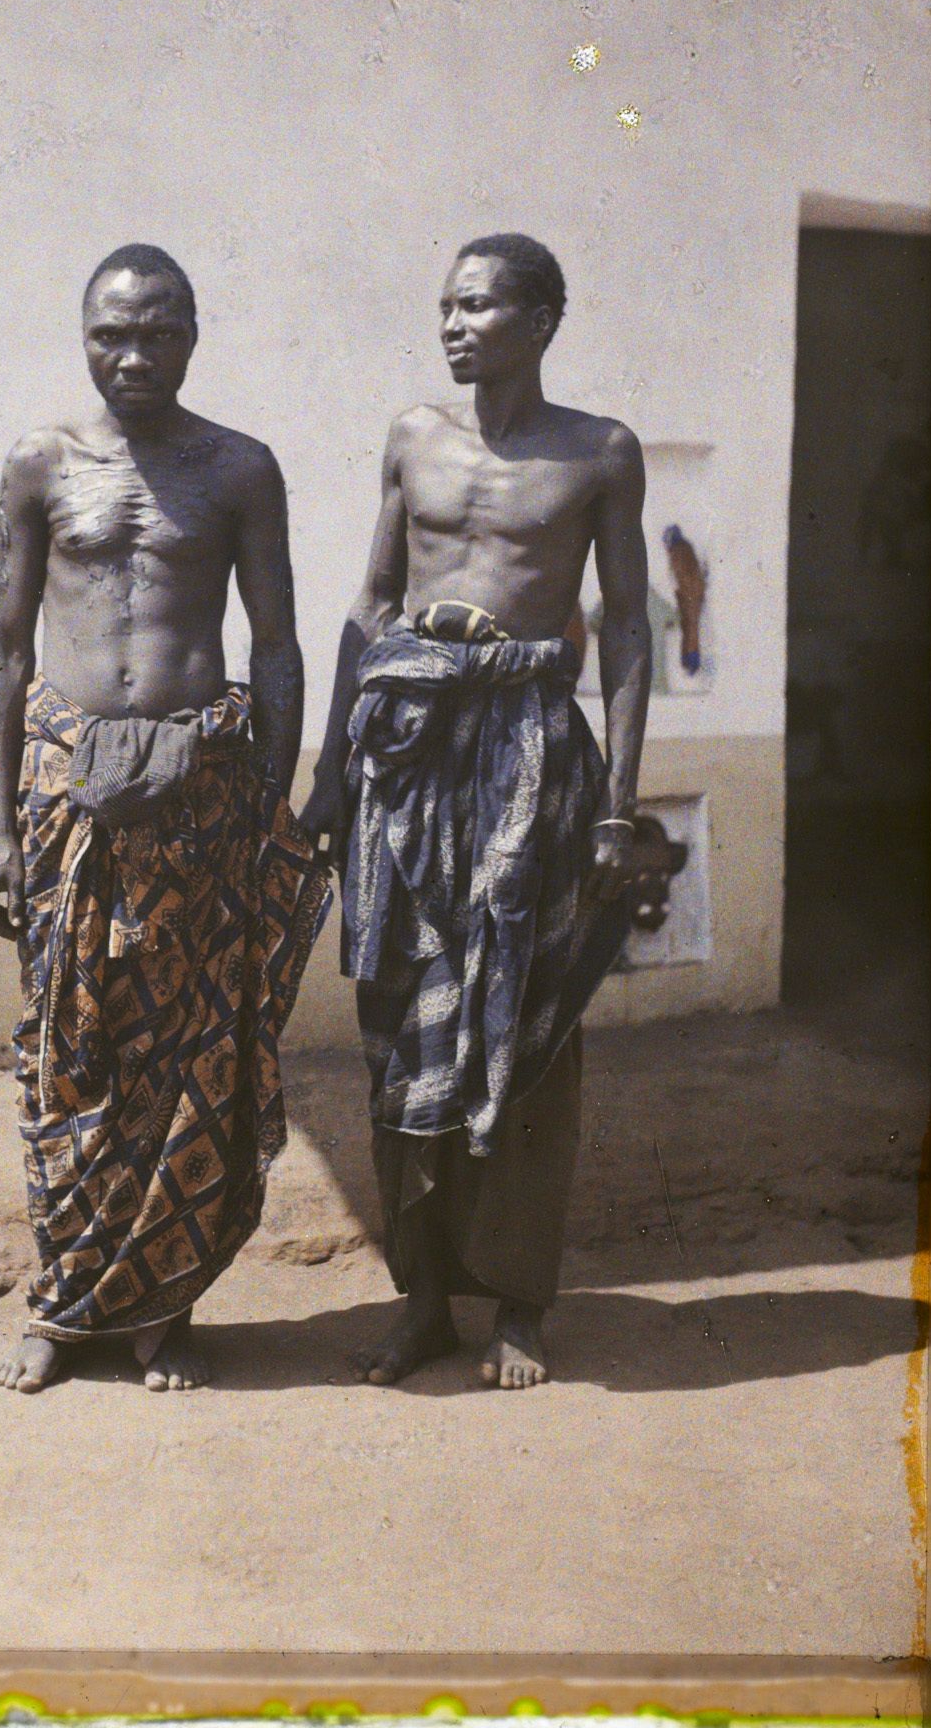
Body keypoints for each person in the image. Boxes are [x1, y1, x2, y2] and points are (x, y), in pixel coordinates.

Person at [0, 244, 331, 1395]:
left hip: (198, 798)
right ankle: (66, 1306)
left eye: (158, 330)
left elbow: (275, 646)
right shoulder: (39, 463)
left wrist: (268, 812)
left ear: (192, 334)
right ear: (83, 335)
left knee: (182, 1059)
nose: (133, 354)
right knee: (64, 1049)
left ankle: (159, 1310)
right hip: (67, 793)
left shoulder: (238, 469)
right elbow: (4, 647)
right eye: (109, 334)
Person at [300, 233, 650, 1390]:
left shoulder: (598, 451)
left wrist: (618, 805)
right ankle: (422, 1299)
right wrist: (330, 773)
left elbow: (630, 628)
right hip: (406, 763)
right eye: (444, 304)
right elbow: (371, 597)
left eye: (479, 306)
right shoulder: (413, 436)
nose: (453, 324)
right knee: (398, 1022)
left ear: (543, 317)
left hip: (529, 762)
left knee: (526, 1028)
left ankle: (518, 1304)